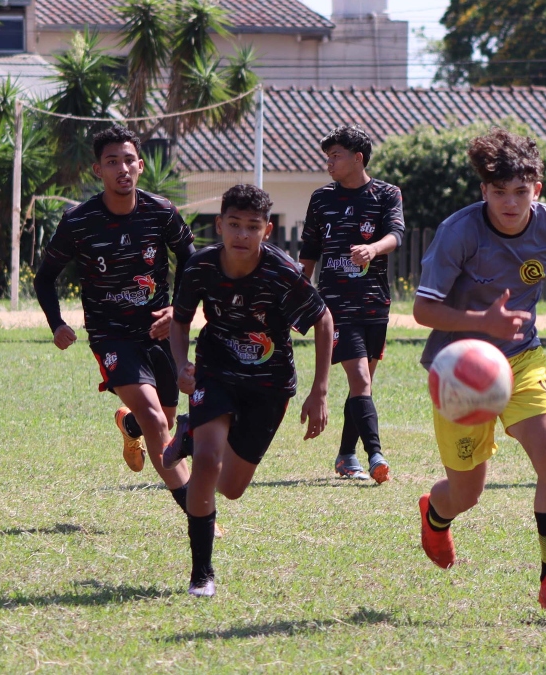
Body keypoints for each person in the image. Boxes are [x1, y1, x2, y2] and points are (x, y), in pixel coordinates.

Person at [412, 129, 546, 616]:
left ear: (536, 189)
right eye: (499, 193)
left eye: (520, 192)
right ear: (484, 192)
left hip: (522, 359)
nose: (510, 203)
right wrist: (483, 323)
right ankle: (436, 516)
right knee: (466, 493)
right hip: (459, 370)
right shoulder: (459, 232)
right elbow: (422, 309)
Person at [163, 184, 333, 597]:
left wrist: (320, 392)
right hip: (217, 370)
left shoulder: (282, 273)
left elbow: (324, 321)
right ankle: (201, 573)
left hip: (269, 384)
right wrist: (181, 365)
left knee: (232, 488)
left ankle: (188, 429)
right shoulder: (201, 267)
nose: (242, 234)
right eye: (234, 225)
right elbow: (180, 321)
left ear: (267, 230)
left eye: (252, 227)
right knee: (206, 463)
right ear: (219, 225)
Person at [33, 125, 197, 520]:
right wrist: (56, 323)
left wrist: (177, 311)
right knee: (159, 422)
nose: (122, 168)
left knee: (165, 419)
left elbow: (193, 262)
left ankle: (129, 426)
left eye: (128, 160)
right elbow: (44, 276)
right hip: (111, 336)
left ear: (140, 165)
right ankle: (197, 511)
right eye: (112, 162)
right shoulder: (80, 221)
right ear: (98, 170)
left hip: (160, 333)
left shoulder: (161, 211)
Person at [299, 125, 405, 483]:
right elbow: (309, 253)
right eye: (327, 157)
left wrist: (373, 249)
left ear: (358, 158)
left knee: (364, 387)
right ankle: (375, 455)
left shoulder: (387, 194)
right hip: (335, 307)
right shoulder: (321, 199)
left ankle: (346, 455)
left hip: (375, 303)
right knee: (360, 378)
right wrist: (298, 296)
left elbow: (396, 234)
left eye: (335, 156)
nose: (329, 163)